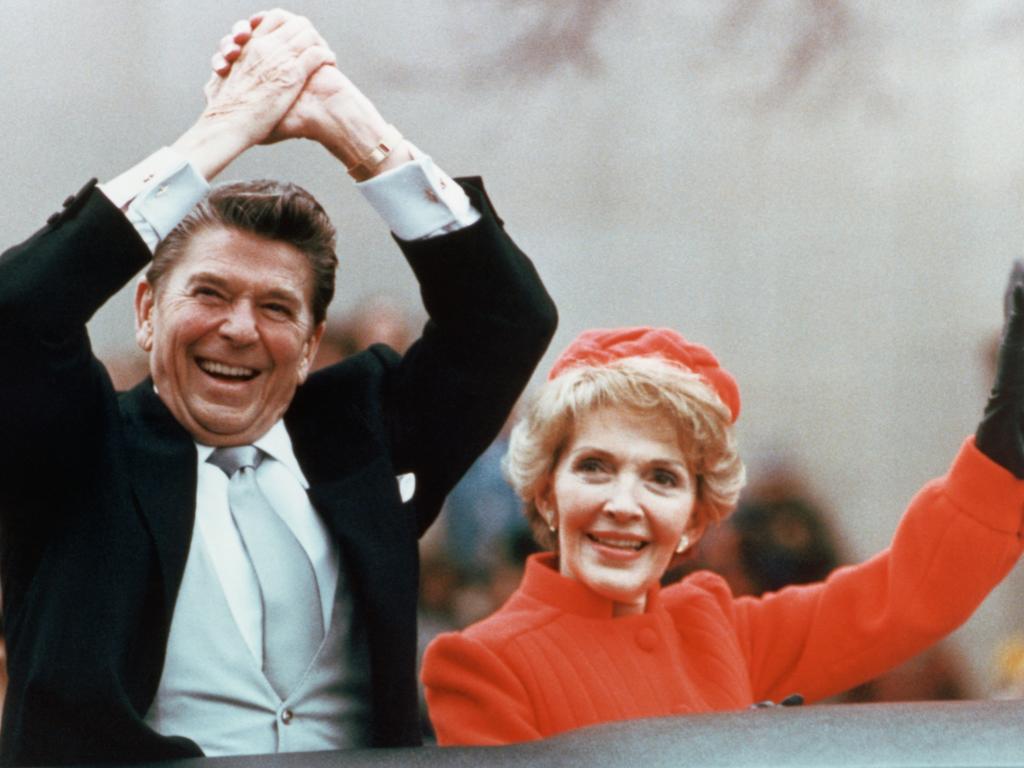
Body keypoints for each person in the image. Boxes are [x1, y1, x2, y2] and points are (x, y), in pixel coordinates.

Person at [0, 10, 556, 766]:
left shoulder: (361, 441)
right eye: (210, 294)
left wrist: (349, 127)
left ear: (307, 347)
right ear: (145, 310)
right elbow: (16, 313)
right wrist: (224, 130)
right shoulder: (78, 443)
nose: (239, 329)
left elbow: (507, 318)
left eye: (275, 308)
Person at [421, 312, 1024, 745]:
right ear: (546, 493)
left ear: (694, 521)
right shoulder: (479, 664)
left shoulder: (712, 624)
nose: (623, 504)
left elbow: (906, 600)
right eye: (595, 467)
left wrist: (1005, 454)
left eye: (661, 478)